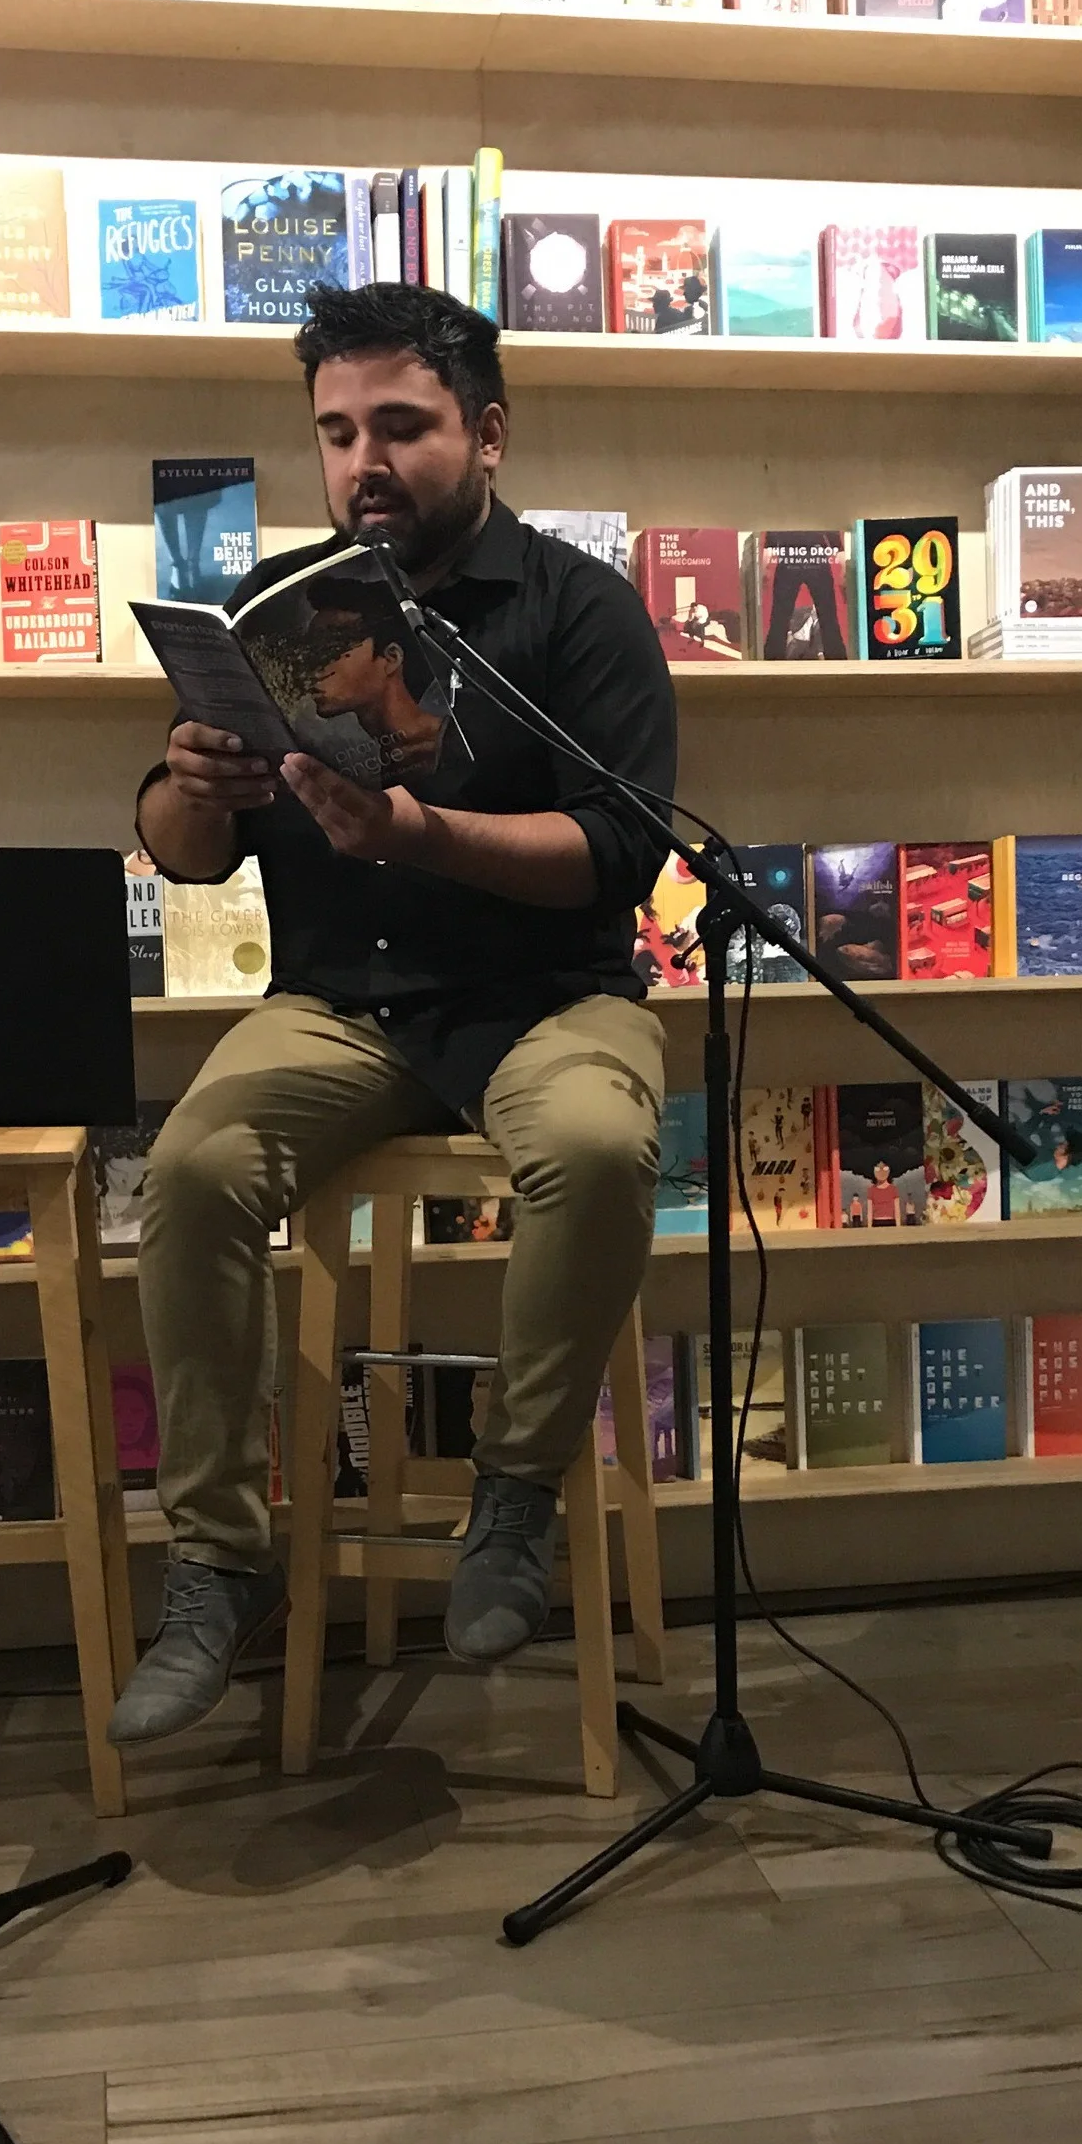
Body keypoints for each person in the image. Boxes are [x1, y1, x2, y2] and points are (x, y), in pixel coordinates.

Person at [111, 281, 677, 1747]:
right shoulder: (277, 612)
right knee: (191, 1171)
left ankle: (514, 1494)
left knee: (596, 1149)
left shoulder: (578, 608)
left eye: (402, 426)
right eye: (337, 431)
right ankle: (219, 1562)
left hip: (547, 998)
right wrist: (192, 786)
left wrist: (415, 835)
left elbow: (620, 852)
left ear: (487, 433)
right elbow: (186, 856)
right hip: (340, 1007)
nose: (364, 461)